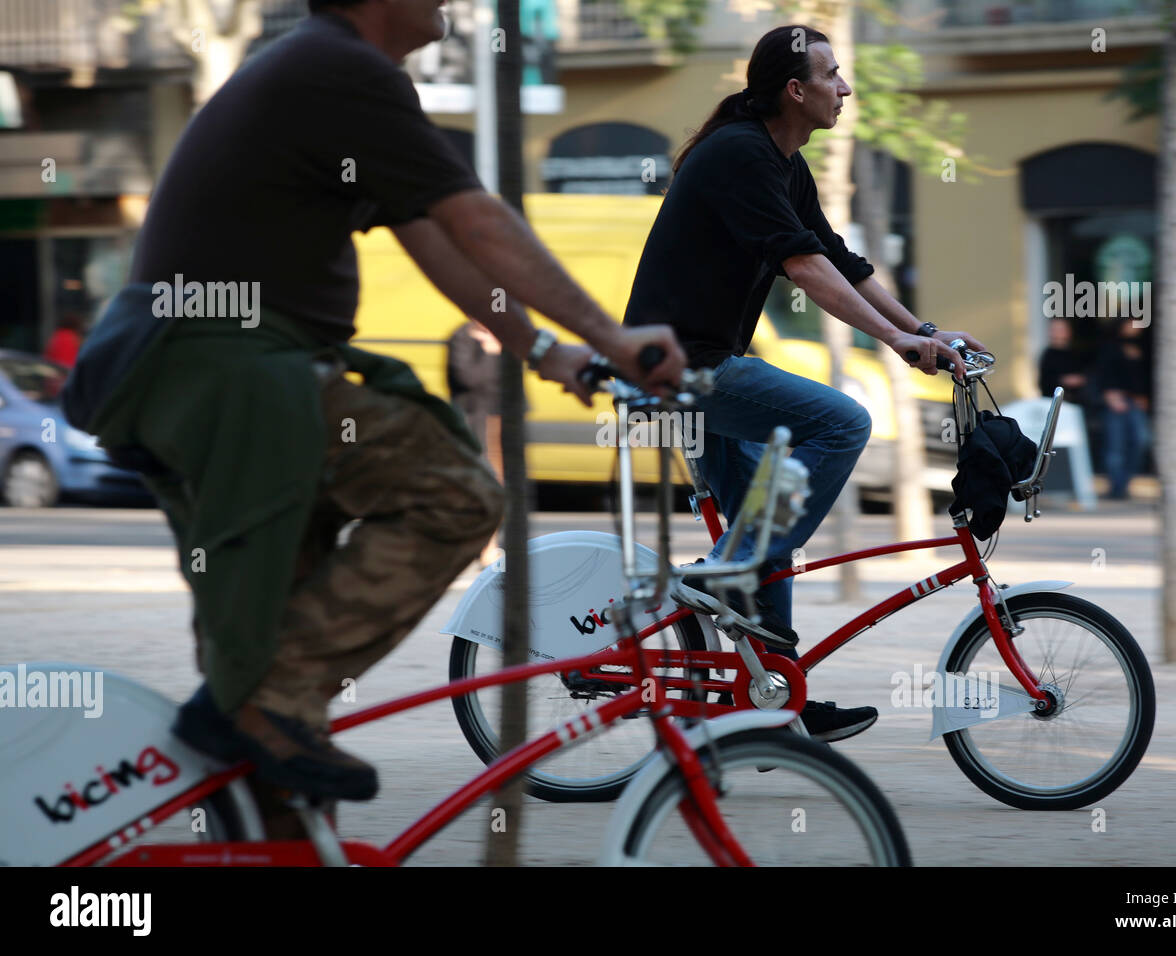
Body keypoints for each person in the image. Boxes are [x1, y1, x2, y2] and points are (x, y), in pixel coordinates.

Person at [61, 0, 684, 806]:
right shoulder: (341, 68)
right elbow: (477, 220)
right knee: (454, 496)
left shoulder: (340, 74)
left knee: (276, 678)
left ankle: (262, 750)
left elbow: (439, 244)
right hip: (220, 365)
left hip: (206, 370)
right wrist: (612, 332)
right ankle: (256, 703)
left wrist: (548, 350)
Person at [623, 24, 986, 742]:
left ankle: (769, 700)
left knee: (769, 530)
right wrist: (897, 343)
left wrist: (926, 331)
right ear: (796, 89)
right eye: (833, 75)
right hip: (681, 367)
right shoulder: (739, 155)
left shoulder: (784, 164)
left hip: (700, 364)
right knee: (842, 423)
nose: (845, 89)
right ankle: (726, 573)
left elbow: (839, 258)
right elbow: (803, 267)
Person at [447, 319, 505, 566]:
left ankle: (488, 544)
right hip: (477, 421)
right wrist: (491, 354)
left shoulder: (503, 333)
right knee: (483, 481)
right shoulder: (463, 337)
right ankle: (485, 546)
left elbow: (513, 383)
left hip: (501, 421)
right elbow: (468, 378)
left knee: (500, 482)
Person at [1097, 319, 1151, 500]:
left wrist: (1144, 396)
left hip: (1136, 403)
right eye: (1132, 323)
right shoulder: (1110, 347)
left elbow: (1145, 376)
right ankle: (1116, 487)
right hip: (1116, 401)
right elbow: (1103, 374)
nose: (1136, 327)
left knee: (1140, 441)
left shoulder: (1145, 347)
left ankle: (1125, 483)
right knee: (1115, 446)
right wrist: (1110, 396)